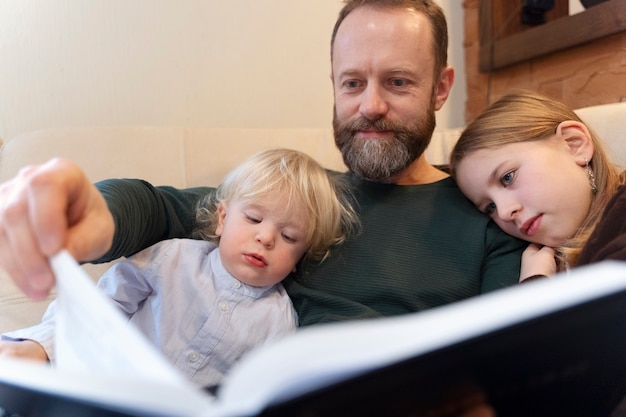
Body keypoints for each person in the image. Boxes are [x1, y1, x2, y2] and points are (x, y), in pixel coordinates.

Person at [0, 0, 526, 322]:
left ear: (441, 88)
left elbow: (512, 359)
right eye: (352, 83)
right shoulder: (302, 196)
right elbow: (161, 209)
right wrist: (97, 211)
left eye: (398, 82)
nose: (370, 105)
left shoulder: (495, 217)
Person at [0, 148, 359, 390]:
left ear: (301, 256)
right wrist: (45, 346)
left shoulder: (280, 319)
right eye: (253, 218)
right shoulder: (171, 258)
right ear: (222, 218)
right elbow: (99, 307)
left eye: (289, 236)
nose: (266, 237)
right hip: (104, 386)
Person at [449, 90, 626, 282]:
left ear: (574, 144)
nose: (504, 213)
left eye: (508, 177)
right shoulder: (538, 262)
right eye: (489, 207)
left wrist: (535, 287)